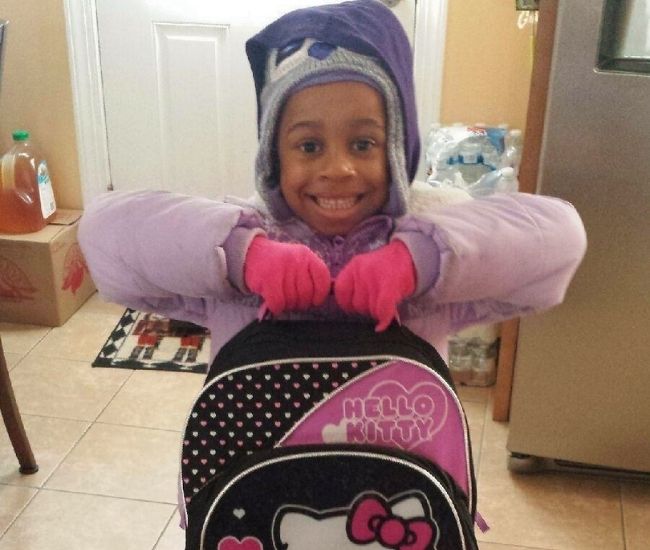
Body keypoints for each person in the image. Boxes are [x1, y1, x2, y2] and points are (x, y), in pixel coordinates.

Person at [78, 0, 586, 364]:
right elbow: (103, 235)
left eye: (363, 144)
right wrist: (240, 256)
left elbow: (561, 239)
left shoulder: (428, 238)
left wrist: (419, 262)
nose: (337, 168)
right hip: (252, 509)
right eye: (308, 146)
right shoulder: (244, 241)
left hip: (397, 509)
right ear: (273, 157)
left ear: (396, 150)